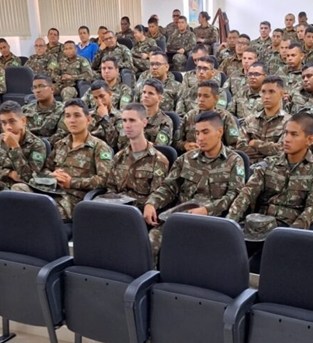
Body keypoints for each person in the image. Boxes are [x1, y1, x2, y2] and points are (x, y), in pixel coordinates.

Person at [227, 113, 313, 270]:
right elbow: (247, 194)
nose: (286, 139)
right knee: (226, 256)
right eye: (286, 133)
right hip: (258, 227)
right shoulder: (269, 163)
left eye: (294, 134)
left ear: (310, 140)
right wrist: (230, 222)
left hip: (288, 231)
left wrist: (289, 235)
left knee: (257, 266)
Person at [143, 111, 246, 256]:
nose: (200, 138)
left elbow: (234, 196)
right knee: (150, 243)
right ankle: (152, 278)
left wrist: (207, 210)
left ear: (220, 132)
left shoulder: (234, 161)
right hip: (181, 217)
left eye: (205, 132)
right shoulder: (185, 159)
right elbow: (169, 187)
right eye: (197, 133)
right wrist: (151, 203)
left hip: (212, 220)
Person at [39, 99, 113, 221]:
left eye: (77, 115)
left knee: (43, 212)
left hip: (75, 199)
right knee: (21, 193)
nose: (72, 120)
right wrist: (52, 175)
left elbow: (104, 180)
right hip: (52, 191)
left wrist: (71, 182)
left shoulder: (99, 147)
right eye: (68, 116)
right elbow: (46, 168)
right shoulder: (60, 144)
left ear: (88, 120)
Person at [105, 103, 170, 209]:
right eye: (124, 120)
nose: (127, 125)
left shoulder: (159, 160)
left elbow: (155, 196)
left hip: (139, 212)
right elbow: (111, 188)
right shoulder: (118, 157)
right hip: (116, 210)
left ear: (144, 122)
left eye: (132, 120)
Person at [0, 101, 48, 191]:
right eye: (4, 123)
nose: (8, 127)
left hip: (20, 190)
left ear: (23, 120)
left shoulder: (37, 145)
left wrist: (15, 147)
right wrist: (8, 173)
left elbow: (29, 177)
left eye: (12, 121)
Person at [176, 81, 240, 152]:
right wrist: (185, 145)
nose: (201, 100)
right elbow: (176, 142)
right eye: (199, 96)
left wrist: (215, 151)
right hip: (192, 158)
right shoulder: (190, 116)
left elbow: (235, 145)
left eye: (206, 96)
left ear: (216, 99)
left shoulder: (225, 117)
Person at [237, 75, 289, 163]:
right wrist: (268, 150)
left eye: (271, 92)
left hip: (274, 169)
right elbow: (241, 147)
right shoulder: (250, 120)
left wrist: (255, 143)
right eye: (263, 92)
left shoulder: (289, 122)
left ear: (281, 94)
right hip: (249, 166)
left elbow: (282, 150)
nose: (266, 96)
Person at [120, 79, 173, 149]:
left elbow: (160, 147)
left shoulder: (165, 121)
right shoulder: (132, 117)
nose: (146, 95)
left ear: (159, 98)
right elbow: (121, 143)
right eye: (144, 92)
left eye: (150, 93)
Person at [23, 75, 67, 140]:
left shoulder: (63, 110)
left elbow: (60, 135)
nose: (37, 91)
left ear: (52, 89)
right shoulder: (25, 110)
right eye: (35, 88)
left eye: (41, 86)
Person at [86, 80, 124, 150]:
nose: (99, 101)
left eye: (102, 96)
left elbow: (113, 143)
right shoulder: (89, 116)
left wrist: (105, 118)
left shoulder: (120, 117)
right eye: (96, 98)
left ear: (110, 94)